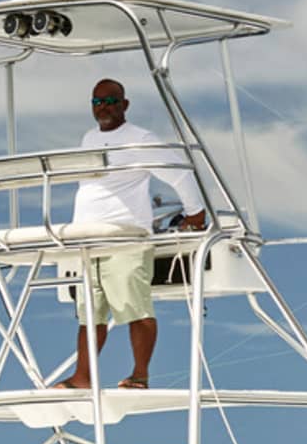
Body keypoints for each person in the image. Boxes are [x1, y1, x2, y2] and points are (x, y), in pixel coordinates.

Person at [56, 77, 206, 391]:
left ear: (125, 104)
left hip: (126, 237)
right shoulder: (89, 138)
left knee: (136, 309)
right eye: (97, 102)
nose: (104, 108)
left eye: (111, 101)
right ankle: (82, 377)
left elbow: (180, 174)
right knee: (89, 315)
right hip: (89, 240)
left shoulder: (141, 138)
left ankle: (140, 374)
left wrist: (195, 215)